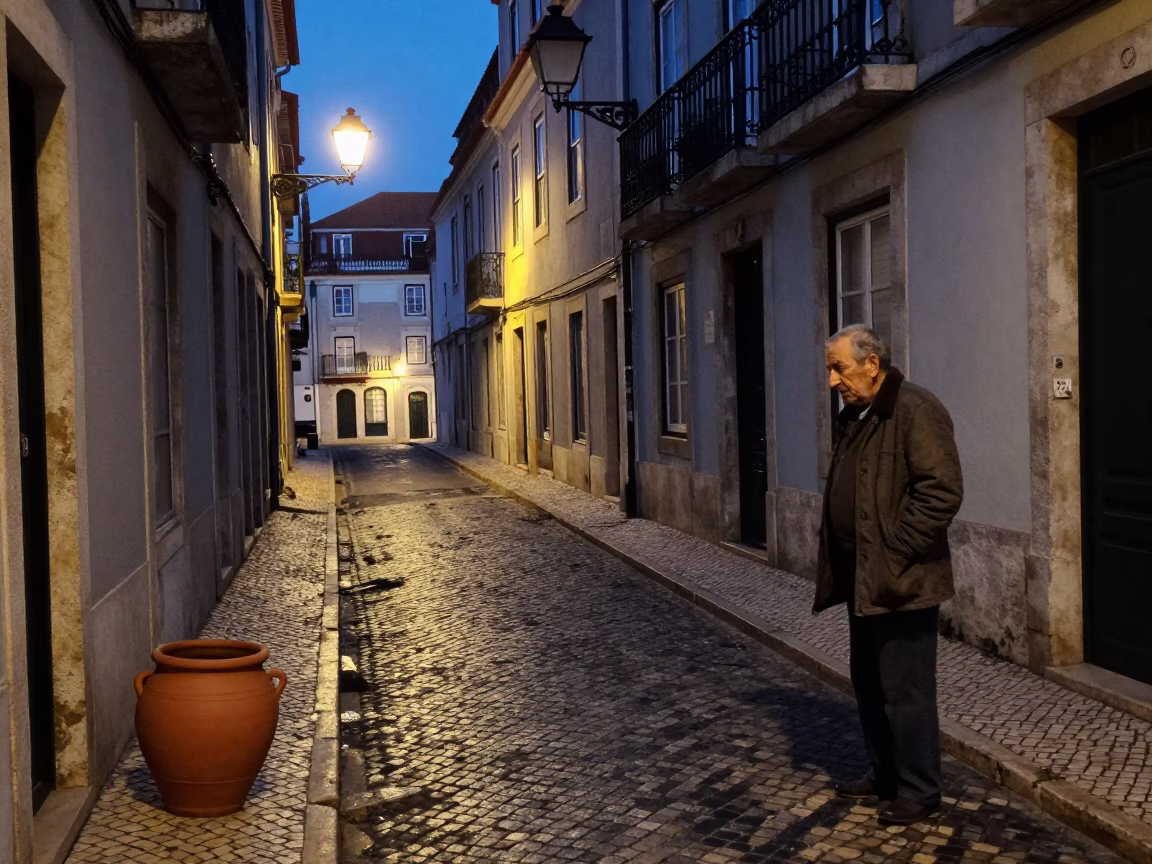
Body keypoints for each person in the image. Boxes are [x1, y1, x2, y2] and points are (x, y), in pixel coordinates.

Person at [815, 324, 963, 826]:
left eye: (839, 367)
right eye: (832, 368)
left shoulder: (916, 410)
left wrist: (895, 550)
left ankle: (919, 790)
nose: (833, 380)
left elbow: (941, 492)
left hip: (903, 581)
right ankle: (883, 772)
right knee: (871, 683)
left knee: (907, 691)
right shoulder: (857, 415)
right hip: (864, 581)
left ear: (871, 364)